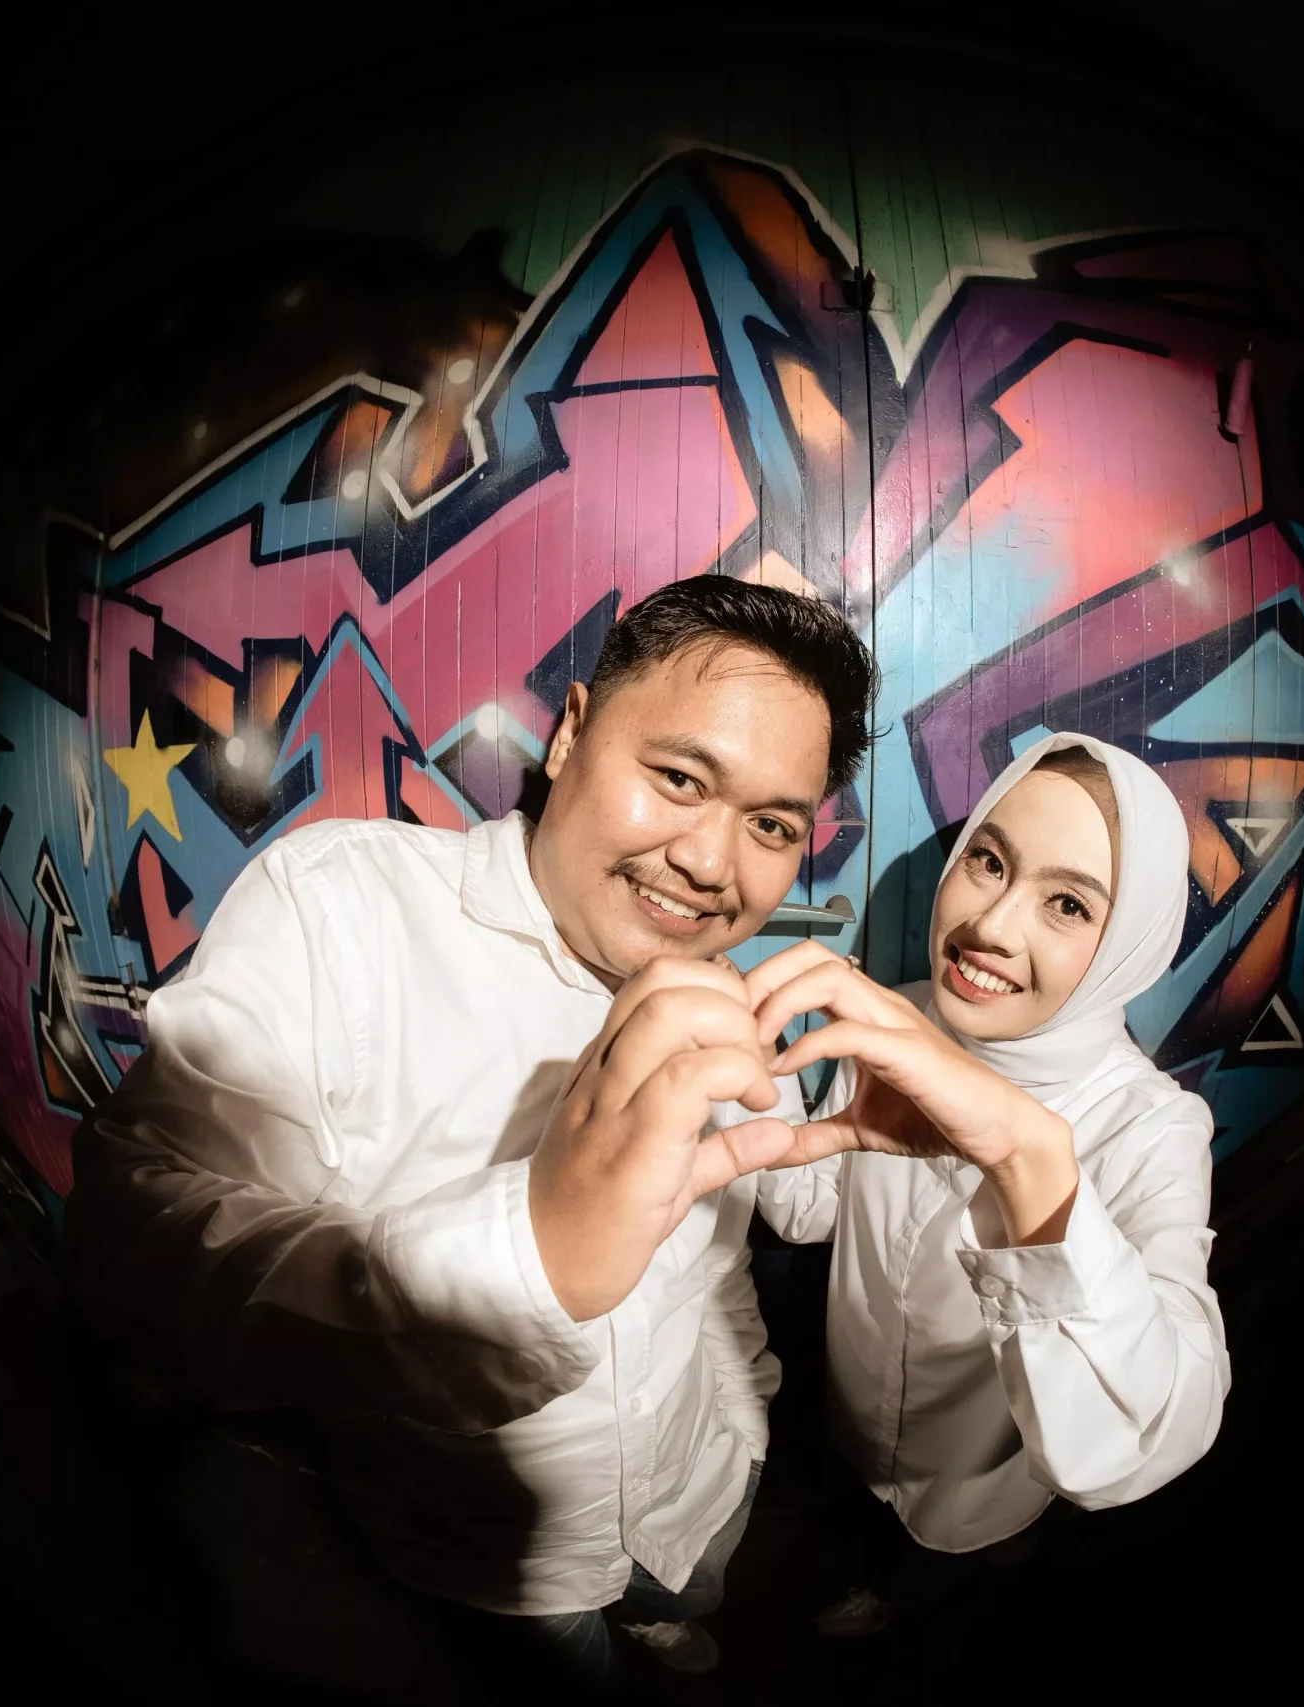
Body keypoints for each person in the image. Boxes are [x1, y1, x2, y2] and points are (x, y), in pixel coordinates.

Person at [67, 576, 876, 1684]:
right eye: (680, 779)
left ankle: (665, 1622)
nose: (710, 862)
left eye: (771, 825)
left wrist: (745, 1414)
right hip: (497, 1561)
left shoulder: (720, 986)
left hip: (699, 1497)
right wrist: (528, 1255)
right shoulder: (346, 911)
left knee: (682, 1610)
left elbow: (726, 1243)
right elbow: (128, 1239)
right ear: (573, 733)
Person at [742, 733, 1233, 1642]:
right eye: (990, 861)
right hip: (852, 1414)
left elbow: (1157, 1428)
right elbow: (811, 1209)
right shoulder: (897, 1018)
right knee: (861, 1519)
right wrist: (749, 1067)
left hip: (979, 1480)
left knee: (951, 1570)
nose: (993, 927)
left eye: (1067, 904)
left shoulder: (1149, 1129)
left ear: (1129, 945)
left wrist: (1025, 1161)